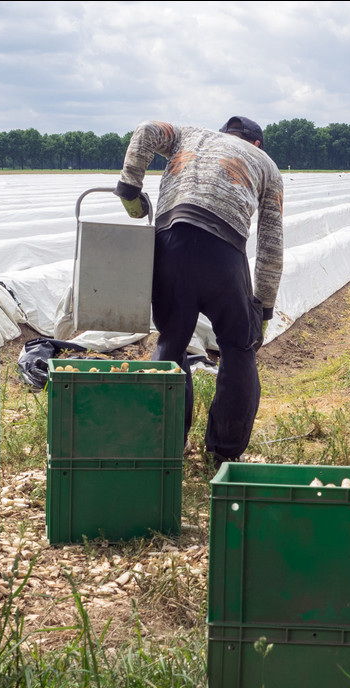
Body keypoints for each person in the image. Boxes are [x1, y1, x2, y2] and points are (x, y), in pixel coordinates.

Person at [114, 116, 284, 469]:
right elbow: (270, 248)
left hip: (170, 242)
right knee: (238, 348)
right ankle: (223, 451)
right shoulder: (266, 166)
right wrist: (262, 312)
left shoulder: (188, 135)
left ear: (224, 135)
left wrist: (129, 188)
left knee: (171, 341)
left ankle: (165, 444)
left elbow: (146, 130)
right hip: (223, 252)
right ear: (256, 144)